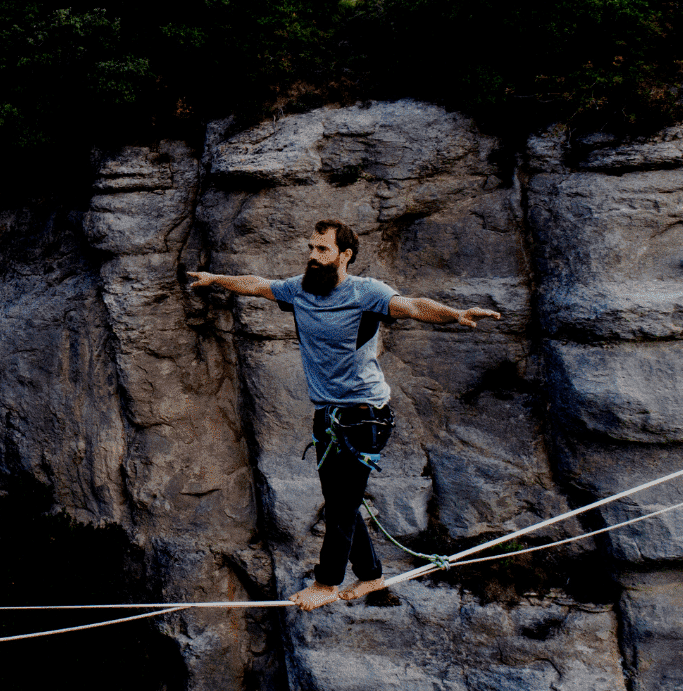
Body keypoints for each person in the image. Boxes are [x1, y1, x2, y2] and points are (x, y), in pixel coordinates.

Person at [186, 220, 502, 611]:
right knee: (340, 500)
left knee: (340, 505)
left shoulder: (366, 292)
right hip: (328, 416)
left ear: (344, 255)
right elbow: (256, 284)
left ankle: (327, 581)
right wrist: (217, 278)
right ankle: (370, 576)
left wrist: (454, 314)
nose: (312, 256)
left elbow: (412, 306)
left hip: (365, 417)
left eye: (322, 249)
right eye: (311, 248)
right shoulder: (299, 290)